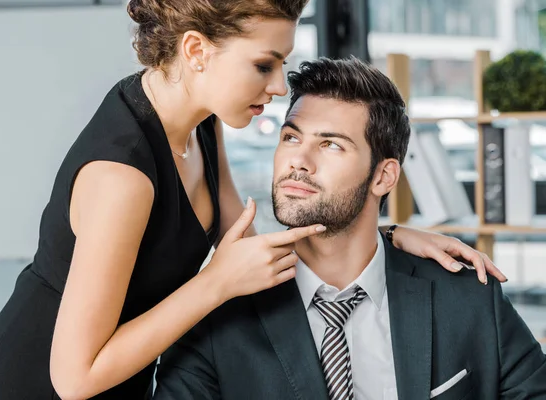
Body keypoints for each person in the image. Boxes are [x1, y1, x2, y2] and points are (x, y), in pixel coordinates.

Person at [0, 2, 505, 399]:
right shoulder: (121, 176)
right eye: (264, 64)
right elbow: (74, 378)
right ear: (196, 51)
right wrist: (214, 284)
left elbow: (245, 245)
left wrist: (382, 239)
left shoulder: (200, 125)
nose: (280, 85)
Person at [152, 57, 546, 400]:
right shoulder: (217, 319)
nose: (299, 161)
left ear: (384, 176)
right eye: (291, 137)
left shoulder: (468, 298)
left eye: (331, 145)